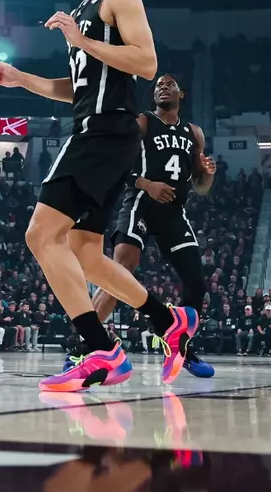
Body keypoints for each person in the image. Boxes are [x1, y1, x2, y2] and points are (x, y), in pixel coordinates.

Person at [0, 0, 197, 392]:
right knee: (86, 254)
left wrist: (81, 39)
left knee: (40, 234)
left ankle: (101, 350)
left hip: (103, 131)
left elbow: (146, 62)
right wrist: (20, 78)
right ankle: (167, 321)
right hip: (104, 133)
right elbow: (77, 88)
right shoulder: (80, 11)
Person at [91, 74, 217, 378]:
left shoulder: (194, 133)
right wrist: (147, 184)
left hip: (173, 211)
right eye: (158, 85)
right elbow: (117, 163)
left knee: (197, 284)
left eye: (169, 84)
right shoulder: (143, 122)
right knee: (122, 268)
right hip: (141, 202)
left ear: (181, 93)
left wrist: (209, 173)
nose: (162, 87)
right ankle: (84, 344)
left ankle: (180, 347)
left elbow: (200, 186)